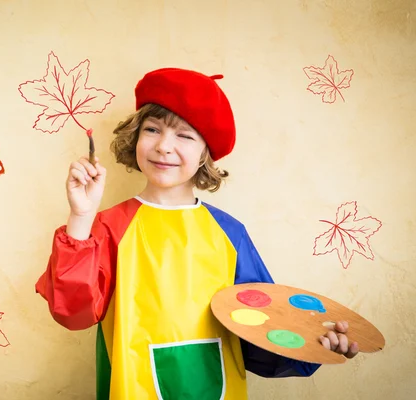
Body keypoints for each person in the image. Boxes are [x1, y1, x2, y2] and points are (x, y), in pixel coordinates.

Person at [35, 68, 360, 399]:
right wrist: (81, 215)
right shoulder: (108, 226)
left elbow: (261, 329)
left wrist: (316, 342)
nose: (164, 146)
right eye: (152, 129)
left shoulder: (229, 233)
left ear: (206, 152)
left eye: (185, 136)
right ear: (135, 137)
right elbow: (73, 312)